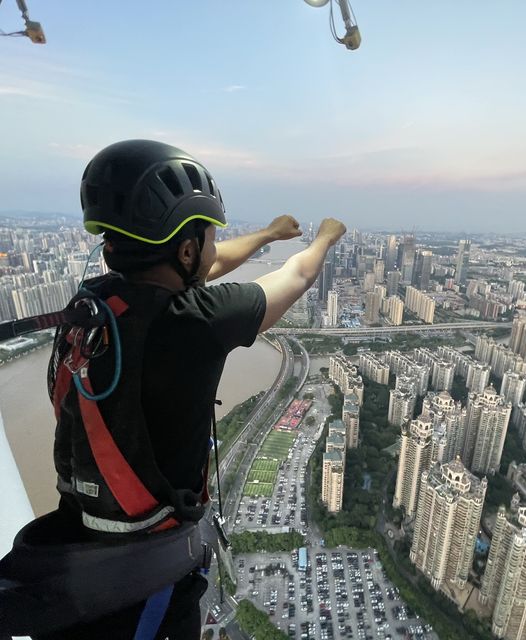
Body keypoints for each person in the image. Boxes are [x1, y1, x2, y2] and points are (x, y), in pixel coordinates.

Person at [0, 139, 345, 640]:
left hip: (78, 559)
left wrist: (268, 233)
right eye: (205, 236)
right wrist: (326, 237)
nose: (210, 247)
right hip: (150, 591)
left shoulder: (92, 307)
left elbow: (209, 264)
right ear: (185, 249)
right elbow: (299, 273)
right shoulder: (193, 323)